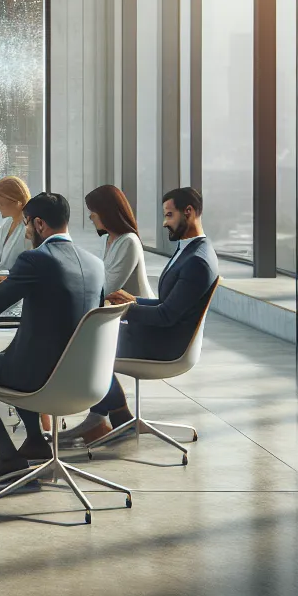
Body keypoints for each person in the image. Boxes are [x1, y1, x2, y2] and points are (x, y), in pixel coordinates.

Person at [0, 192, 106, 484]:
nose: (25, 232)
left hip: (41, 377)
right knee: (15, 355)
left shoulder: (36, 259)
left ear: (39, 224)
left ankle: (9, 457)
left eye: (26, 225)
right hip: (85, 376)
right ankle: (35, 441)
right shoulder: (94, 263)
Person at [66, 186, 219, 446]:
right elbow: (166, 304)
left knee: (81, 346)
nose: (165, 223)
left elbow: (166, 316)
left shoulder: (198, 261)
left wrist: (126, 308)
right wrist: (135, 300)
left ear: (189, 212)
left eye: (169, 215)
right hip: (161, 335)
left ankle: (117, 417)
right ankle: (112, 418)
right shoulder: (190, 251)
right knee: (84, 340)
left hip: (167, 346)